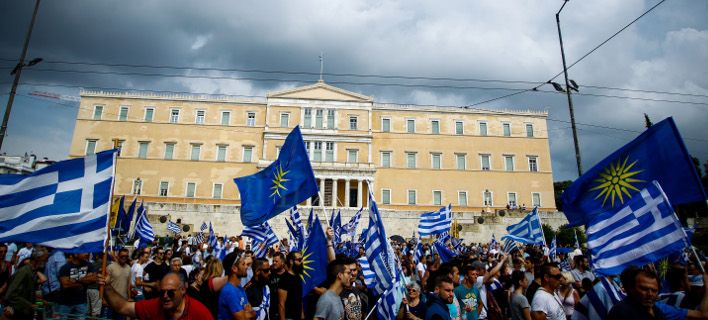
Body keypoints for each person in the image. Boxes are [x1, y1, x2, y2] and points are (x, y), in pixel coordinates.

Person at [608, 266, 708, 319]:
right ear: (631, 289)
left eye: (654, 290)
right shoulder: (622, 311)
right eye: (644, 289)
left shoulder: (657, 310)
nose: (650, 294)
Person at [101, 271, 213, 319]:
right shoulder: (155, 305)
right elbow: (123, 307)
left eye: (170, 292)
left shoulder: (200, 312)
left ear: (183, 290)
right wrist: (107, 286)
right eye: (162, 292)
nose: (165, 296)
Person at [3, 247, 48, 319]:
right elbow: (11, 294)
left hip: (27, 313)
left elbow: (34, 292)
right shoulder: (24, 272)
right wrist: (30, 305)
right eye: (44, 259)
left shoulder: (33, 272)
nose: (45, 262)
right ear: (37, 259)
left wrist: (41, 302)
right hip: (18, 313)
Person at [57, 252, 97, 317]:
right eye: (83, 252)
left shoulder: (89, 265)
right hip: (65, 303)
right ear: (75, 254)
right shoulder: (65, 267)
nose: (86, 254)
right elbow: (65, 284)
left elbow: (94, 278)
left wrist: (75, 280)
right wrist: (84, 279)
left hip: (81, 302)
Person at [218, 251, 256, 320]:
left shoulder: (239, 288)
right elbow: (243, 318)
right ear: (234, 268)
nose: (246, 267)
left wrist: (249, 313)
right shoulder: (229, 291)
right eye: (243, 264)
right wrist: (248, 313)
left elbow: (253, 313)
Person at [106, 248, 133, 318]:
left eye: (126, 256)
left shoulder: (128, 268)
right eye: (122, 256)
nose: (124, 258)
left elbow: (128, 285)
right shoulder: (110, 267)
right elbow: (105, 284)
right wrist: (104, 300)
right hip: (111, 301)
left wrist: (129, 298)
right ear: (118, 256)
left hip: (123, 302)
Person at [278, 251, 304, 320]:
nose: (301, 262)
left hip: (297, 316)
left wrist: (302, 314)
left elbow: (299, 298)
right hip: (288, 317)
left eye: (302, 259)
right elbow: (281, 304)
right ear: (291, 261)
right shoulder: (284, 279)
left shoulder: (298, 277)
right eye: (299, 260)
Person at [269, 252, 286, 320]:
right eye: (273, 261)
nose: (274, 263)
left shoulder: (287, 276)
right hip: (272, 308)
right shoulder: (270, 274)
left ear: (282, 262)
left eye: (276, 261)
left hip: (285, 309)